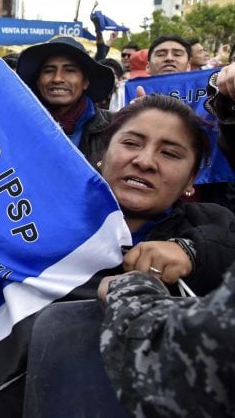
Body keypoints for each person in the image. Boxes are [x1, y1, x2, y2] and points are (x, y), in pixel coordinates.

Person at [97, 82, 235, 417]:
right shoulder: (39, 225)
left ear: (192, 180)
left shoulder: (214, 222)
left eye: (170, 153)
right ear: (101, 157)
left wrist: (191, 252)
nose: (144, 161)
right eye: (131, 143)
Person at [16, 36, 116, 167]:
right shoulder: (17, 123)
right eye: (49, 70)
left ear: (85, 81)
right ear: (38, 81)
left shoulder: (114, 126)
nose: (57, 78)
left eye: (70, 70)